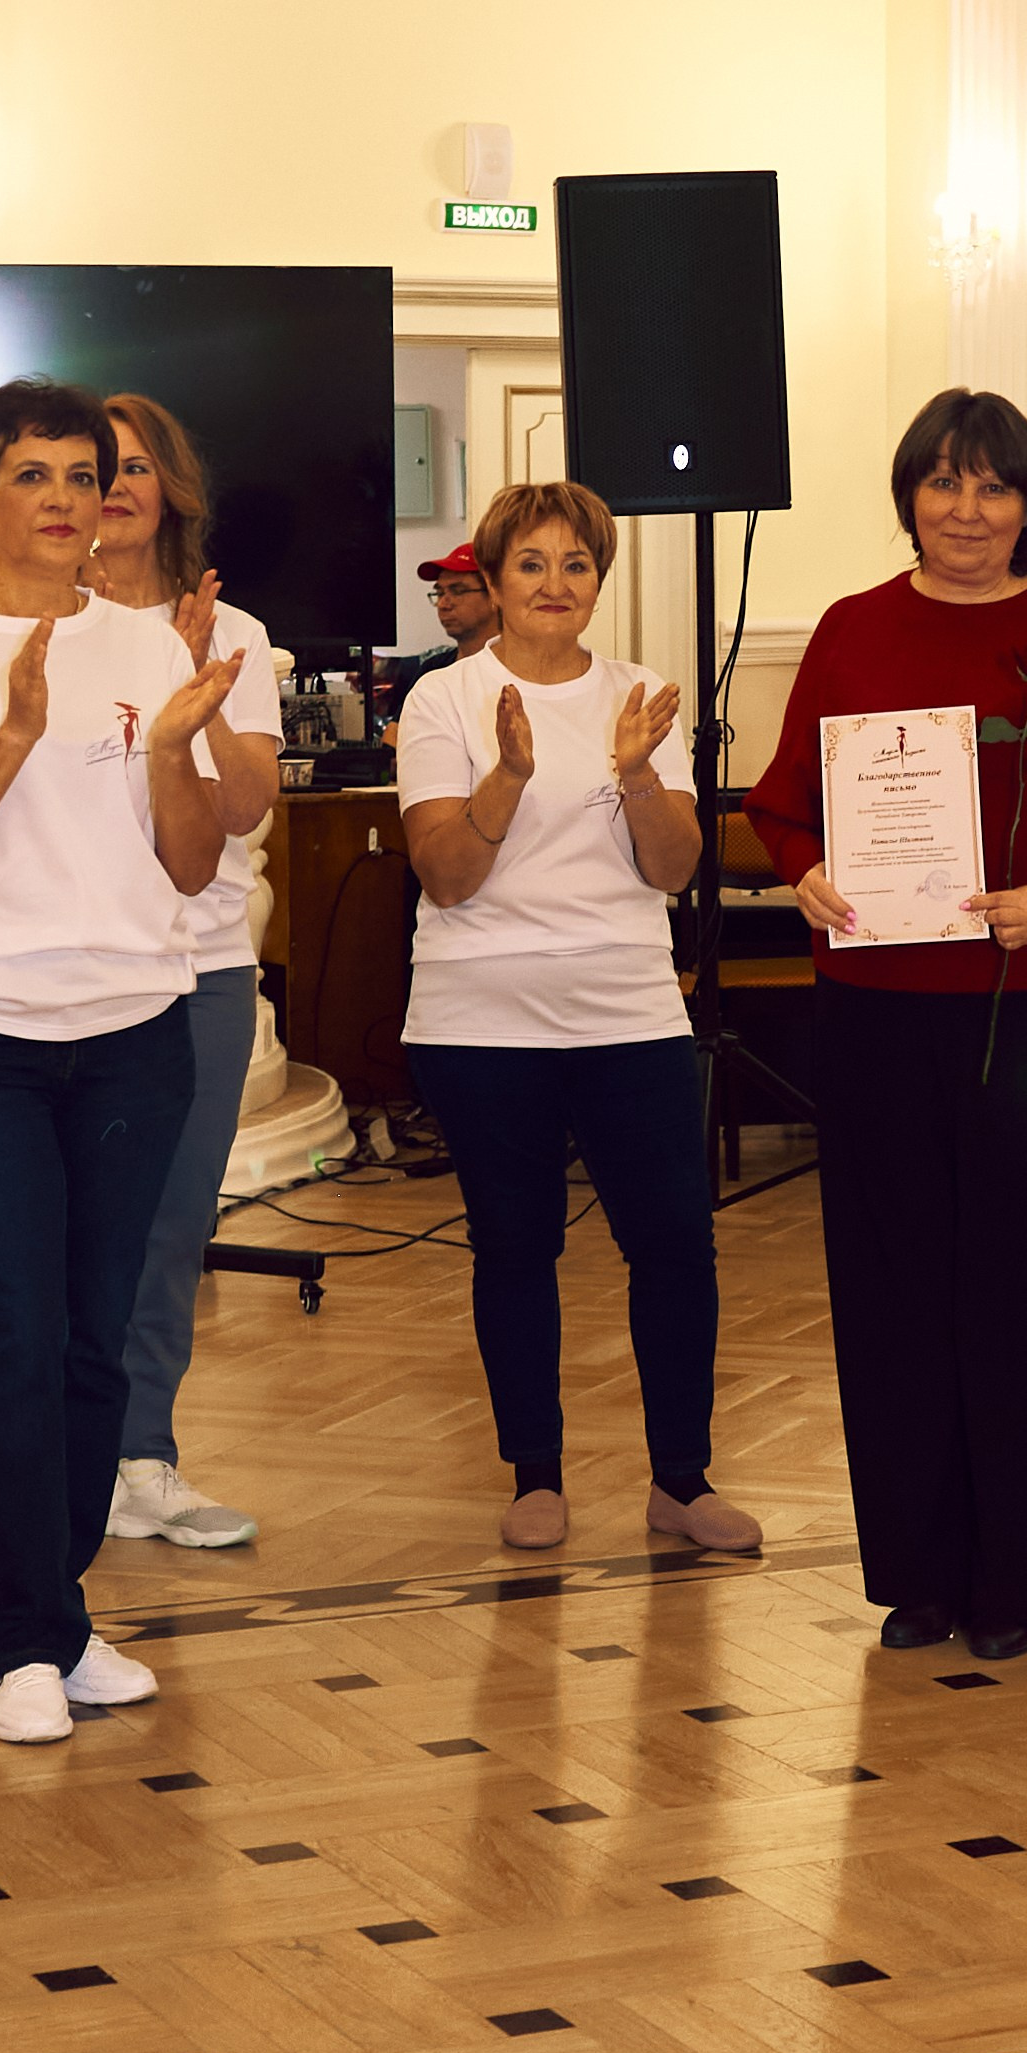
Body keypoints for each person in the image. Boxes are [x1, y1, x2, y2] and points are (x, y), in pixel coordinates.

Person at [748, 389, 1027, 1659]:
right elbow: (784, 803)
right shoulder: (852, 630)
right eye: (944, 484)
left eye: (994, 488)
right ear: (910, 499)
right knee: (890, 1290)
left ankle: (1017, 1581)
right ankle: (918, 1577)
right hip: (875, 1011)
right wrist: (808, 871)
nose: (968, 512)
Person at [0, 378, 240, 1746]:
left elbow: (190, 863)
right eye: (34, 475)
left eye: (87, 473)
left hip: (134, 1032)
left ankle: (58, 1617)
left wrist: (178, 741)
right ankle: (15, 1639)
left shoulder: (145, 645)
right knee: (11, 1334)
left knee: (90, 1344)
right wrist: (14, 728)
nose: (68, 498)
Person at [397, 480, 759, 1558]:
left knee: (675, 1247)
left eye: (577, 566)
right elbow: (448, 877)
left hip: (628, 1006)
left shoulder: (641, 692)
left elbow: (678, 867)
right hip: (480, 1016)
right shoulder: (441, 703)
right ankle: (535, 1474)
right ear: (495, 583)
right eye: (532, 565)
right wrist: (509, 774)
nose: (556, 586)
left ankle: (681, 1482)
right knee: (516, 1245)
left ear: (598, 581)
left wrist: (639, 771)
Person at [86, 391, 284, 1550]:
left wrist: (200, 690)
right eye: (89, 466)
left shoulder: (236, 633)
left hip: (197, 969)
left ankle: (142, 1455)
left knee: (168, 1226)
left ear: (172, 490)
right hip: (73, 969)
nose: (111, 486)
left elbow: (247, 801)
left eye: (137, 467)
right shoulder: (25, 626)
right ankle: (64, 1448)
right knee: (69, 1229)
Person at [381, 546, 499, 713]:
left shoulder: (516, 670)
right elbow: (395, 735)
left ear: (494, 595)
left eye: (457, 591)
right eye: (440, 592)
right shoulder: (434, 669)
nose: (443, 604)